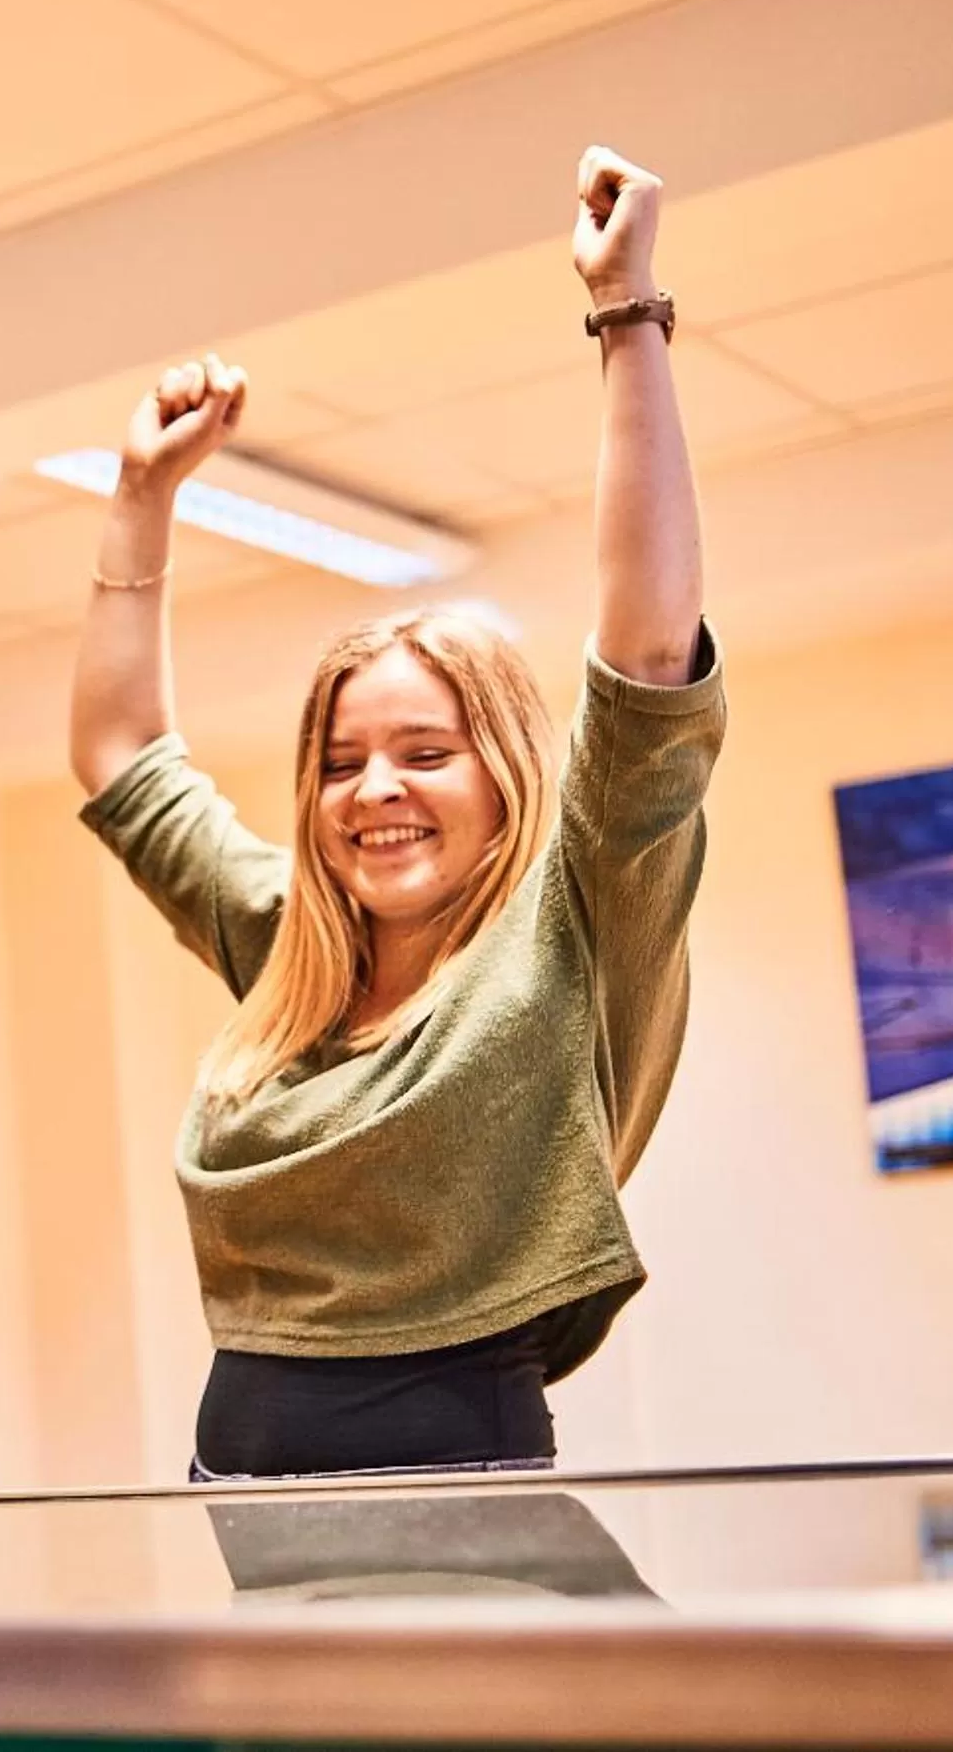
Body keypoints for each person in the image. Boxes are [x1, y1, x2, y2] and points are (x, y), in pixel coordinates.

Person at [68, 149, 721, 1481]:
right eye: (340, 759)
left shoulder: (573, 924)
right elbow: (120, 752)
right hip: (240, 1477)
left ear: (504, 775)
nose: (374, 789)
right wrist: (141, 500)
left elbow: (648, 657)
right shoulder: (287, 948)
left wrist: (625, 315)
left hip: (449, 1470)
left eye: (425, 750)